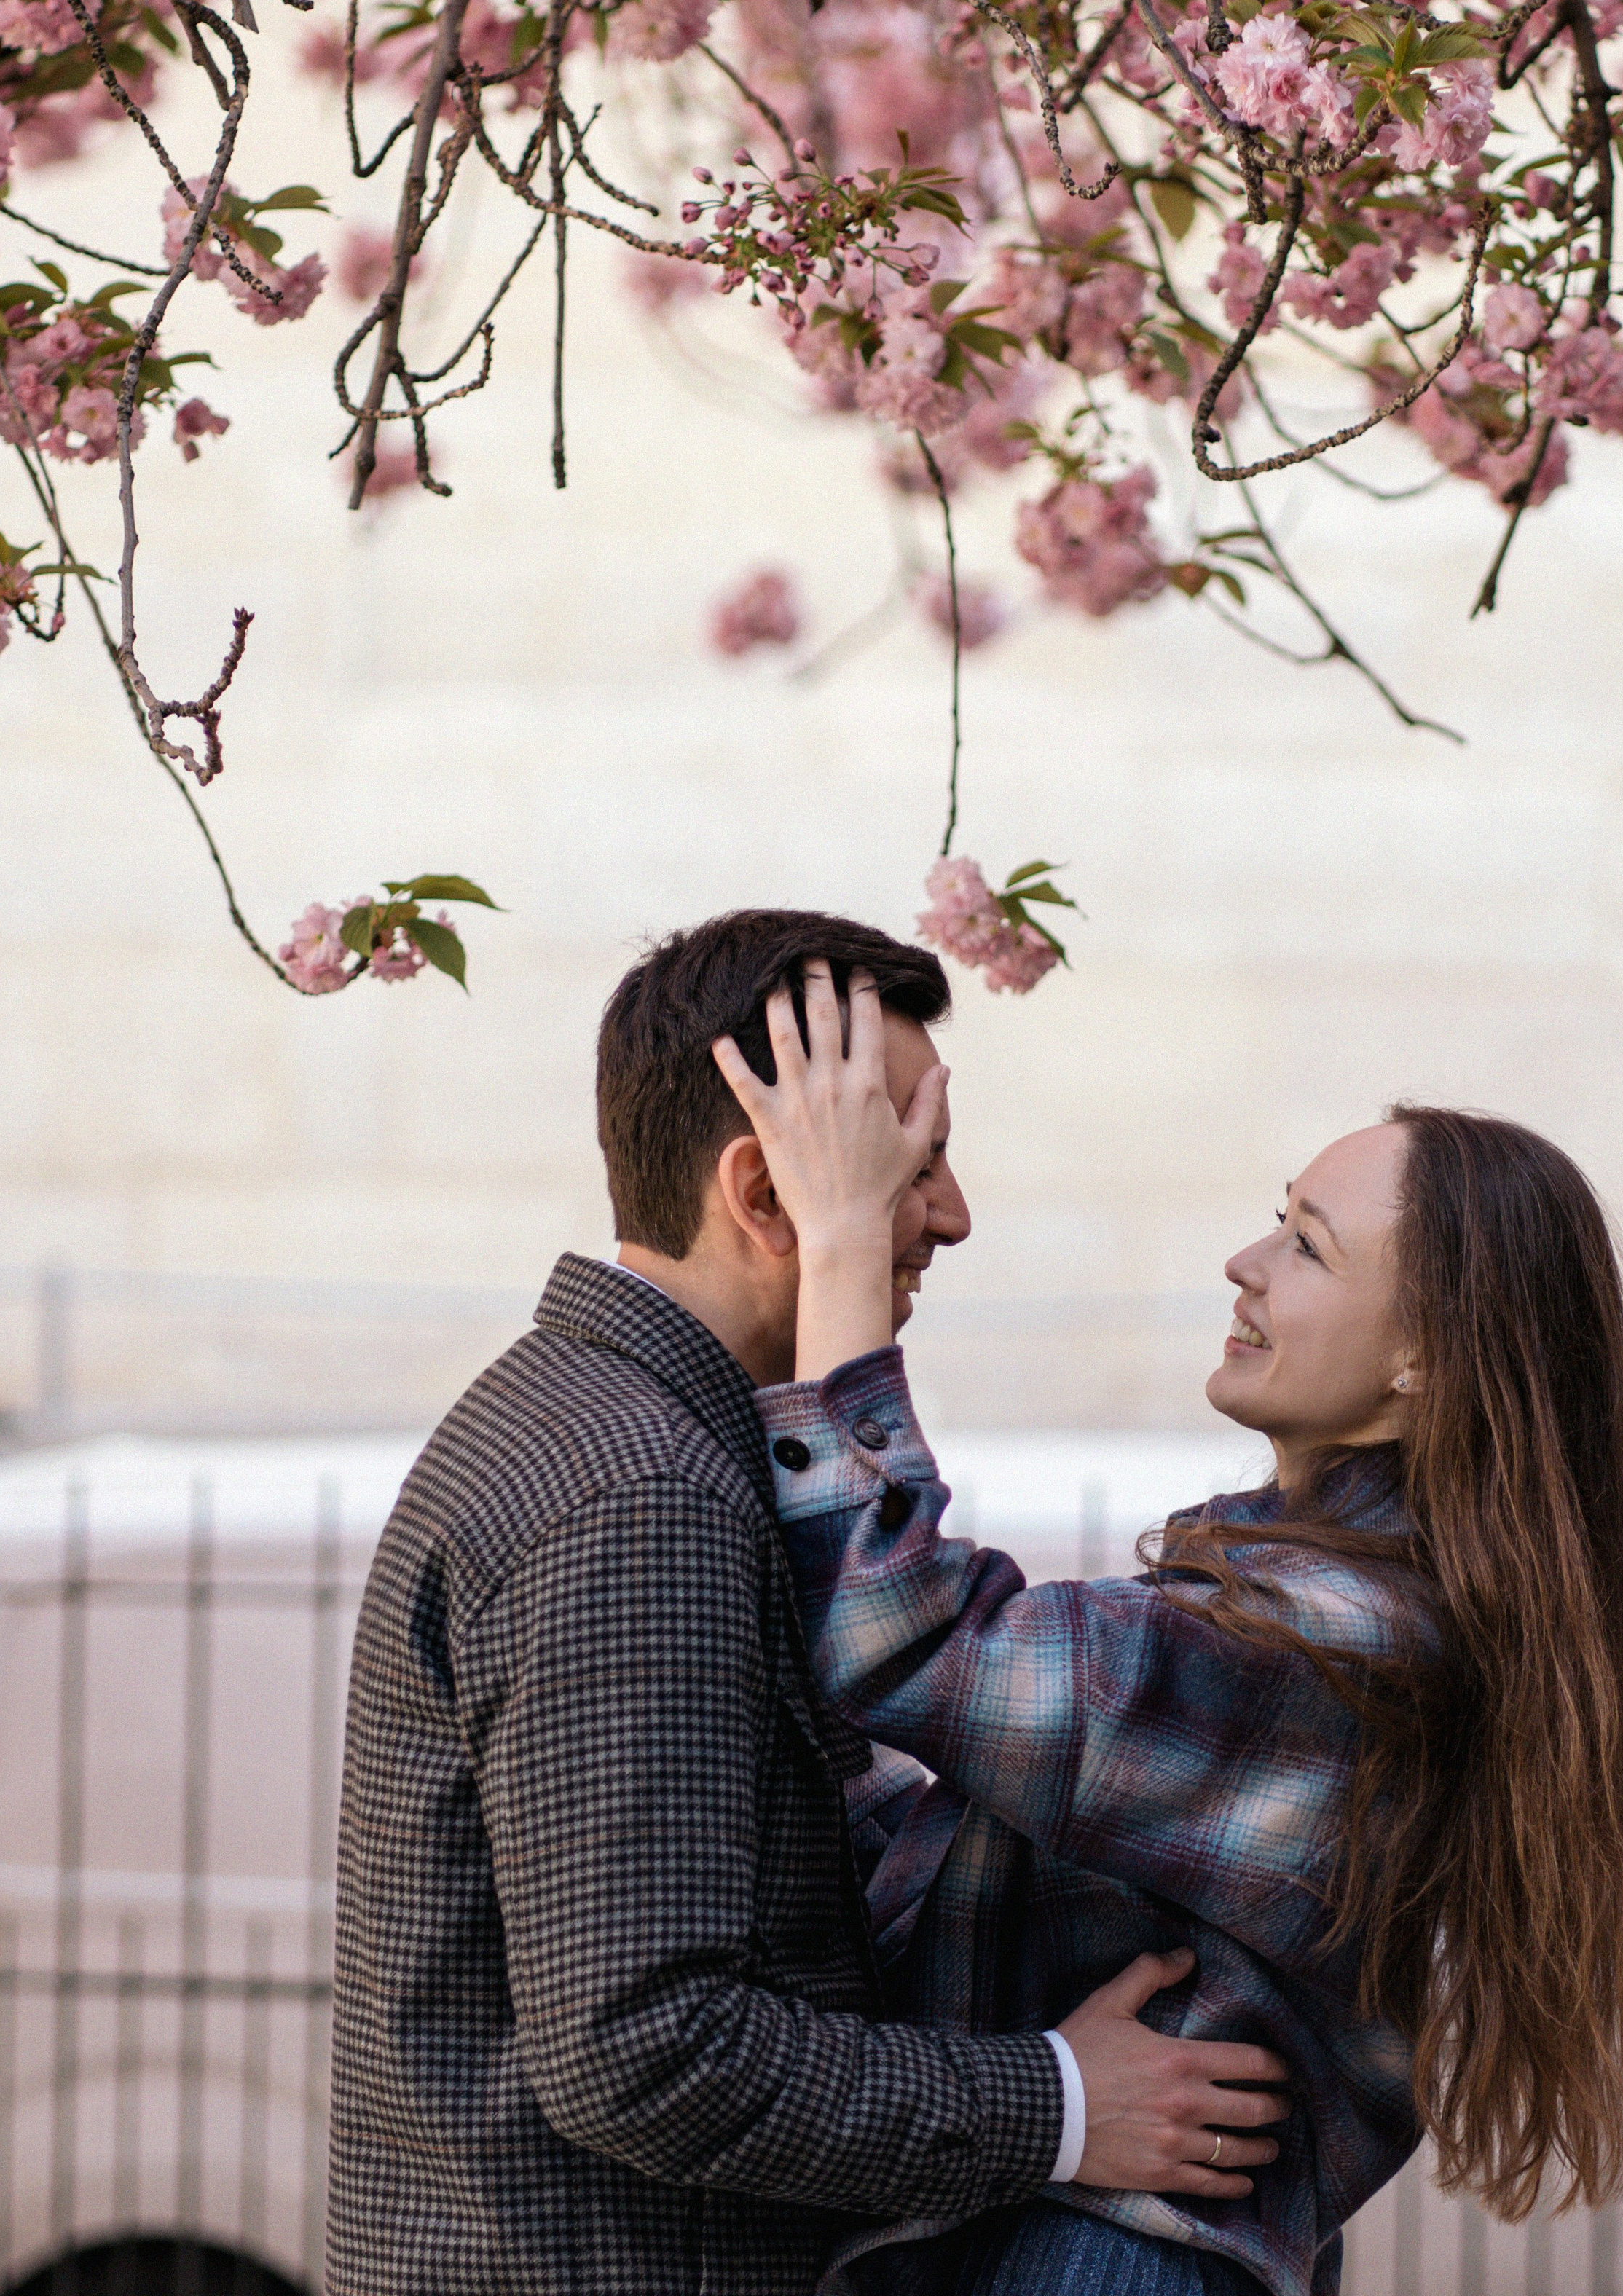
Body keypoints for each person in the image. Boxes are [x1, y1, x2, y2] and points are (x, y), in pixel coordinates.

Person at [325, 910, 1288, 2296]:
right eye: (913, 1164)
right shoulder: (639, 1493)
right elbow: (646, 2052)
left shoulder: (614, 1431)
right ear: (766, 1195)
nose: (953, 1216)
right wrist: (1063, 2106)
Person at [714, 967, 1623, 2296]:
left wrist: (836, 1241)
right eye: (1272, 1221)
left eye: (1308, 1243)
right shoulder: (1308, 1589)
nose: (1246, 1263)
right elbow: (955, 1824)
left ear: (1429, 1360)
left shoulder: (1340, 1641)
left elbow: (911, 1645)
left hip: (1109, 2261)